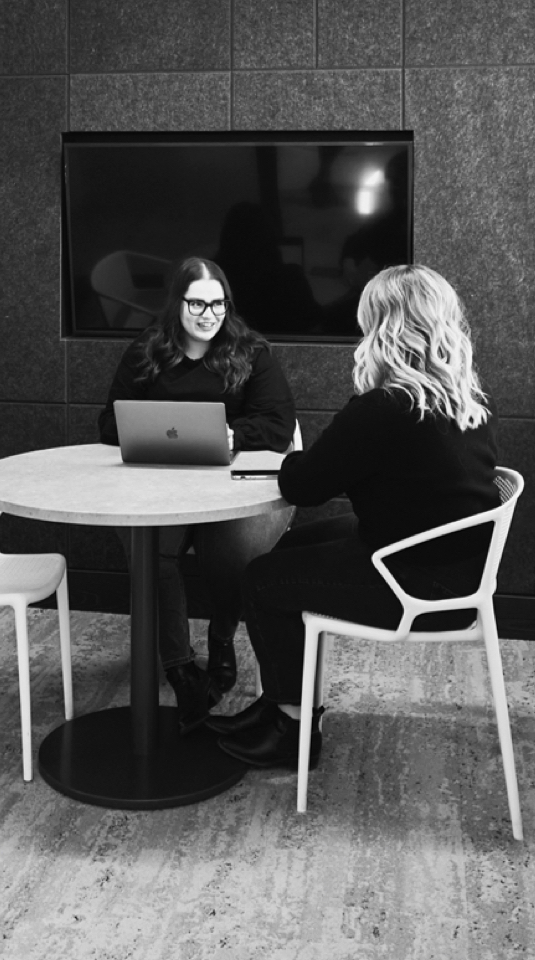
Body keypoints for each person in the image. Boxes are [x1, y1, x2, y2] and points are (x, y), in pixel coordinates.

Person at [207, 264, 500, 770]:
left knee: (261, 577)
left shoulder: (385, 407)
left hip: (415, 585)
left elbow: (303, 485)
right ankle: (278, 705)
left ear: (382, 327)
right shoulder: (462, 398)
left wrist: (296, 454)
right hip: (450, 566)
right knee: (290, 549)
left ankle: (291, 730)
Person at [98, 256, 297, 733]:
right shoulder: (147, 351)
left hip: (232, 488)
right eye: (197, 303)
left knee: (229, 557)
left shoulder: (251, 352)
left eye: (218, 303)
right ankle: (181, 668)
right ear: (177, 304)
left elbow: (277, 424)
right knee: (147, 547)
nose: (209, 314)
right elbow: (109, 425)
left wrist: (232, 436)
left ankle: (223, 639)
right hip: (162, 487)